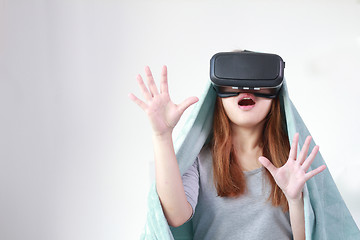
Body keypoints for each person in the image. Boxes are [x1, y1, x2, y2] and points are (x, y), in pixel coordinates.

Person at [128, 62, 326, 240]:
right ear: (218, 93)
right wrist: (162, 136)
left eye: (258, 80)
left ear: (275, 94)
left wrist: (295, 199)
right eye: (233, 80)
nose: (245, 89)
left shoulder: (292, 161)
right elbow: (175, 217)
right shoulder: (198, 159)